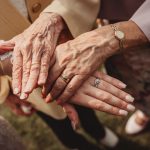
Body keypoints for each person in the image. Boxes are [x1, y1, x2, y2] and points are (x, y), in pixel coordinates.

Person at [0, 1, 135, 149]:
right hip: (24, 85)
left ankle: (99, 133)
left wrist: (56, 17)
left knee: (86, 110)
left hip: (71, 48)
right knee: (61, 127)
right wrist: (4, 91)